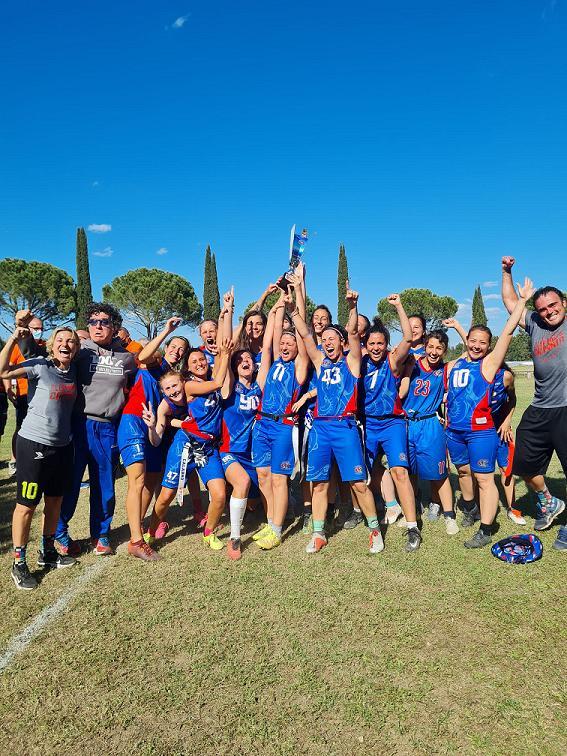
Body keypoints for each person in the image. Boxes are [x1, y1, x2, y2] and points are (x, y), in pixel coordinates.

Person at [290, 278, 384, 554]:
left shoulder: (352, 362)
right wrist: (293, 310)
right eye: (325, 339)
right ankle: (319, 533)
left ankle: (375, 530)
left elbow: (353, 333)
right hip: (320, 429)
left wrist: (353, 307)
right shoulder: (320, 362)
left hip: (345, 427)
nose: (327, 342)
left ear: (342, 343)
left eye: (333, 339)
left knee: (358, 483)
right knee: (319, 483)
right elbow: (306, 335)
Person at [446, 276, 534, 548]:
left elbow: (507, 331)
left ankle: (486, 529)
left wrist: (522, 302)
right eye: (472, 341)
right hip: (454, 432)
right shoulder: (457, 364)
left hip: (480, 432)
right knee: (463, 473)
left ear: (488, 346)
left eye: (482, 343)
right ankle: (471, 508)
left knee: (484, 479)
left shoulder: (489, 364)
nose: (476, 345)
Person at [0, 323, 80, 590]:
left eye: (71, 341)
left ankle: (47, 552)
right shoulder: (40, 365)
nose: (65, 344)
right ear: (52, 344)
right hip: (34, 443)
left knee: (55, 500)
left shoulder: (74, 371)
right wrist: (13, 338)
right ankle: (19, 562)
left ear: (76, 347)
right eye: (60, 340)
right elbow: (3, 371)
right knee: (26, 505)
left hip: (62, 446)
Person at [54, 303, 137, 556]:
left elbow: (144, 373)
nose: (98, 326)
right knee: (71, 482)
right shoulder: (80, 351)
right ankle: (59, 532)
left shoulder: (126, 357)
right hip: (79, 425)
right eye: (93, 322)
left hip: (107, 427)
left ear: (114, 326)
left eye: (104, 322)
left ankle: (101, 534)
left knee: (104, 484)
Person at [501, 257, 566, 547]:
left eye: (553, 305)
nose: (549, 311)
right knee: (524, 465)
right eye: (543, 309)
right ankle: (548, 501)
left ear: (563, 303)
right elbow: (510, 303)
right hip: (540, 408)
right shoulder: (536, 324)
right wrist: (506, 272)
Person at [145, 338, 233, 552]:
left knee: (220, 494)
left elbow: (219, 372)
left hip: (208, 448)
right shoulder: (190, 384)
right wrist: (152, 425)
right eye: (194, 361)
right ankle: (150, 533)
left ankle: (209, 533)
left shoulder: (207, 378)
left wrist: (223, 350)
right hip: (185, 447)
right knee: (166, 496)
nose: (199, 363)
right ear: (188, 368)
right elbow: (156, 439)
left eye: (202, 359)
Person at [360, 302, 421, 551]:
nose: (376, 347)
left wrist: (399, 307)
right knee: (366, 472)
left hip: (392, 423)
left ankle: (412, 526)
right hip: (367, 424)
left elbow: (408, 337)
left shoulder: (393, 361)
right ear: (366, 345)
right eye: (371, 343)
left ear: (386, 344)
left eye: (380, 343)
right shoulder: (359, 362)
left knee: (400, 472)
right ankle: (387, 505)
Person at [251, 286, 309, 550]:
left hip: (283, 425)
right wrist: (279, 303)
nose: (285, 346)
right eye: (283, 343)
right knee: (263, 476)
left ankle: (276, 529)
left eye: (290, 344)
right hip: (261, 423)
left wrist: (297, 295)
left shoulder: (298, 368)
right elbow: (271, 336)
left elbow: (303, 334)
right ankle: (271, 520)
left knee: (279, 478)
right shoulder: (272, 363)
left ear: (297, 348)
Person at [400, 329, 458, 535]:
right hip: (407, 423)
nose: (434, 351)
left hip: (430, 424)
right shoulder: (411, 364)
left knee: (439, 473)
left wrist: (458, 327)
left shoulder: (444, 370)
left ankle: (449, 515)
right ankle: (411, 511)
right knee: (409, 472)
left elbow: (469, 353)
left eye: (439, 348)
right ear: (424, 346)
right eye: (431, 346)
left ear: (444, 350)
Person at [117, 354, 163, 562]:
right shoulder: (143, 370)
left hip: (150, 427)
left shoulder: (163, 375)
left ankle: (138, 527)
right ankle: (136, 541)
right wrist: (164, 335)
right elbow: (145, 355)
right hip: (133, 422)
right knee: (137, 481)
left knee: (148, 481)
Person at [6, 315, 46, 475]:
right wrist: (9, 389)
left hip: (41, 397)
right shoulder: (18, 347)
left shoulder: (45, 346)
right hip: (23, 394)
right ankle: (14, 459)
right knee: (20, 427)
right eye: (36, 328)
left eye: (41, 328)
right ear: (28, 329)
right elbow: (7, 369)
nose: (39, 331)